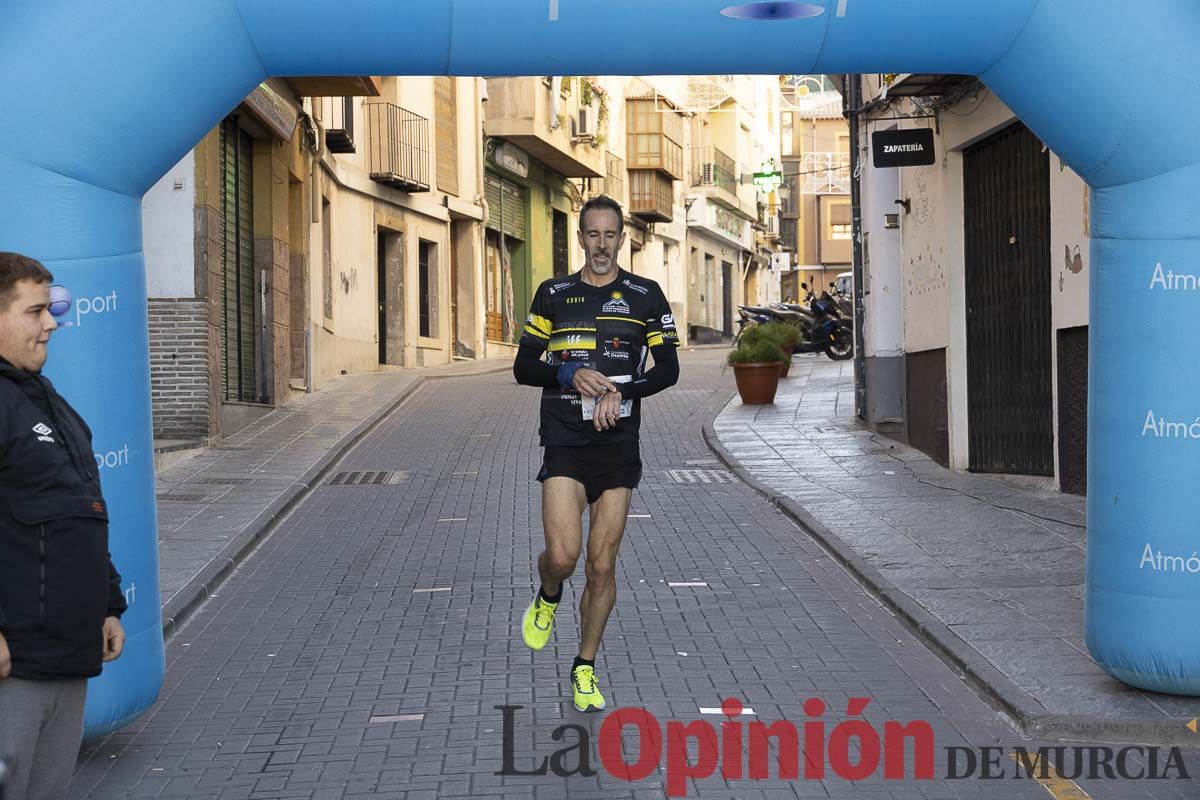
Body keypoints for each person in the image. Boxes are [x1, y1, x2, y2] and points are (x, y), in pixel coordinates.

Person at [513, 196, 679, 711]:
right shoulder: (554, 294)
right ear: (580, 237)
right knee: (564, 556)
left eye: (611, 236)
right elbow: (523, 367)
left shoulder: (646, 296)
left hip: (617, 445)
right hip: (564, 438)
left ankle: (584, 666)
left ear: (621, 238)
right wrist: (568, 373)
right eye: (593, 235)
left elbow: (668, 370)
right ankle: (548, 591)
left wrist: (621, 392)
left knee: (602, 565)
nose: (602, 245)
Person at [0, 252, 127, 800]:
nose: (52, 322)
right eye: (35, 312)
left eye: (49, 309)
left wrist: (106, 603)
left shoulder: (51, 402)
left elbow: (81, 508)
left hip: (66, 656)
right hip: (14, 667)